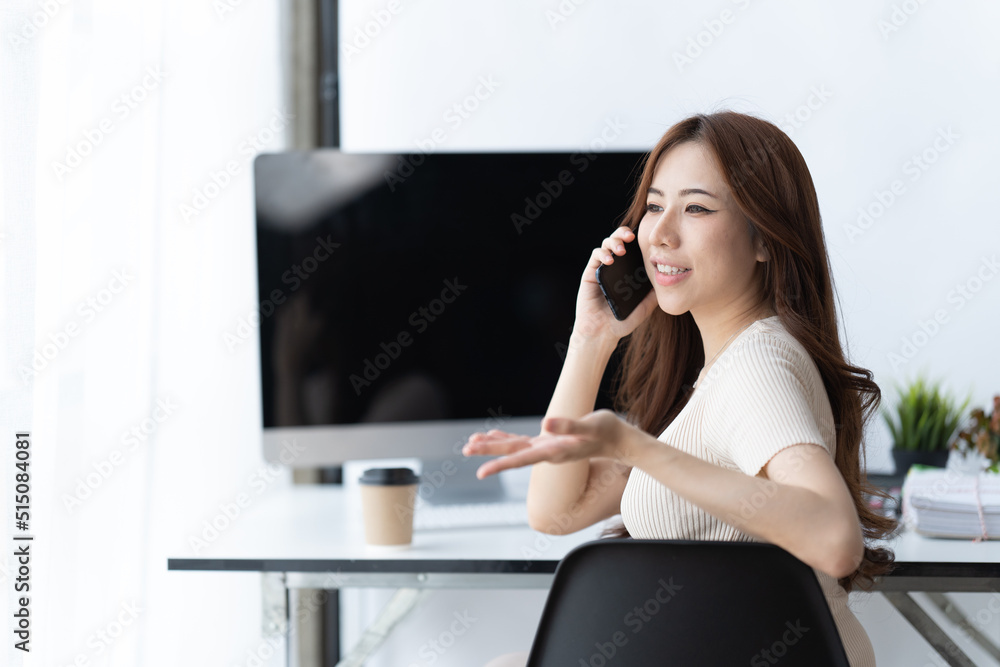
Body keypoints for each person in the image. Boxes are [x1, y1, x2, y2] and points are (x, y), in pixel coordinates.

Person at [463, 111, 896, 667]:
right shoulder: (721, 375)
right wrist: (592, 339)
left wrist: (632, 446)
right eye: (653, 206)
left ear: (764, 239)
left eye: (696, 208)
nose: (661, 233)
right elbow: (555, 512)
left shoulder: (756, 367)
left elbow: (836, 540)